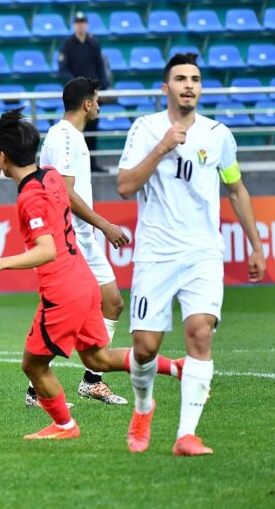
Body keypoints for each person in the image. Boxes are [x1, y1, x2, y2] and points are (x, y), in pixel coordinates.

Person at [0, 108, 180, 440]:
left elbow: (46, 250)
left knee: (33, 365)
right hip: (85, 282)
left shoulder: (29, 198)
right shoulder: (52, 175)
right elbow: (43, 177)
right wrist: (10, 163)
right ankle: (177, 368)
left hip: (62, 291)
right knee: (98, 357)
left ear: (2, 154)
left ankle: (64, 425)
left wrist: (0, 263)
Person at [117, 53, 266, 456]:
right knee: (145, 346)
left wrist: (256, 244)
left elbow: (235, 188)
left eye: (195, 79)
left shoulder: (218, 135)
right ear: (165, 88)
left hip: (203, 252)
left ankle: (186, 434)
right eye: (180, 78)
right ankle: (144, 407)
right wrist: (162, 149)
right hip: (156, 253)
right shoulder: (145, 129)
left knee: (200, 332)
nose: (189, 85)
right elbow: (125, 186)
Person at [34, 77, 130, 406]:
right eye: (97, 100)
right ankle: (37, 385)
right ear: (87, 104)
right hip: (72, 237)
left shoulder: (67, 136)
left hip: (82, 237)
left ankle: (91, 381)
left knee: (111, 303)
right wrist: (105, 224)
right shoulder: (64, 137)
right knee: (66, 310)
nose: (100, 105)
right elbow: (64, 191)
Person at [58, 11, 110, 172]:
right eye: (78, 22)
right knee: (75, 128)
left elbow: (100, 66)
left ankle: (91, 163)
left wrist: (102, 86)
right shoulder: (67, 45)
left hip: (91, 93)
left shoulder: (93, 43)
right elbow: (62, 69)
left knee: (92, 127)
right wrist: (76, 83)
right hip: (76, 94)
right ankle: (74, 165)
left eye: (83, 22)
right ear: (74, 25)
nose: (80, 25)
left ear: (86, 24)